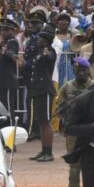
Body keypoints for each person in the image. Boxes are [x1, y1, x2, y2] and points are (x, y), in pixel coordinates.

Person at [55, 57, 94, 187]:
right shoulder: (67, 87)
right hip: (73, 132)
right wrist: (66, 109)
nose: (81, 73)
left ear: (89, 71)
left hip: (91, 131)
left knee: (91, 166)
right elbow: (58, 110)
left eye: (84, 70)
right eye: (78, 70)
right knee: (74, 167)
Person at [26, 25, 58, 161]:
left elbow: (51, 57)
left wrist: (46, 53)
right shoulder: (39, 52)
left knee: (46, 122)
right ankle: (43, 150)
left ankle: (49, 152)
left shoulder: (49, 51)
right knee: (40, 121)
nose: (38, 40)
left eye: (40, 38)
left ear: (46, 40)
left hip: (45, 89)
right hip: (38, 89)